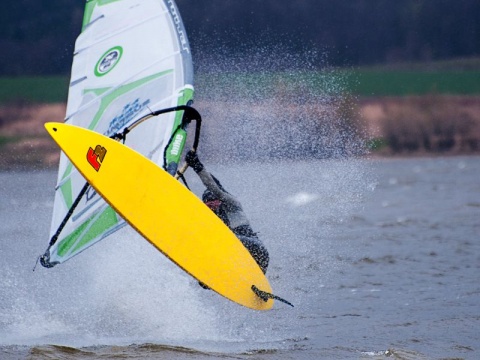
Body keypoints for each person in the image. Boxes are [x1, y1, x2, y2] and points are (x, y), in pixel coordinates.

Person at [185, 150, 269, 274]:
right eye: (208, 204)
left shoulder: (231, 203)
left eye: (214, 202)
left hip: (258, 252)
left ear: (220, 200)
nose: (212, 206)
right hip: (244, 263)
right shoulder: (210, 220)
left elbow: (215, 188)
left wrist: (198, 167)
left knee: (218, 240)